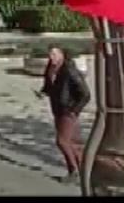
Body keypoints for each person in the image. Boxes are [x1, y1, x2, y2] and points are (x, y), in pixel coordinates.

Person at [35, 46, 91, 183]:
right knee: (71, 142)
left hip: (67, 110)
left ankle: (74, 171)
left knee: (62, 141)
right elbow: (50, 85)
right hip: (57, 109)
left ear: (62, 55)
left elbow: (85, 94)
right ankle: (85, 170)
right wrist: (43, 92)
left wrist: (74, 110)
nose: (51, 57)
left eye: (54, 54)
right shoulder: (51, 68)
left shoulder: (69, 70)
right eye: (50, 54)